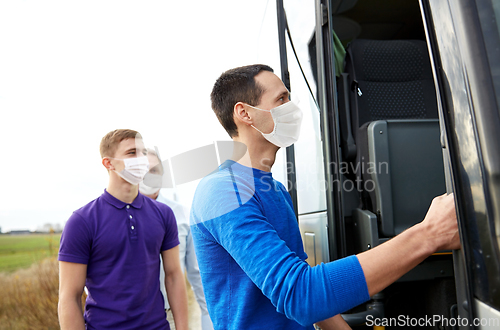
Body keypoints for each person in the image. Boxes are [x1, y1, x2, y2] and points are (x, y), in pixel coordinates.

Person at [190, 64, 460, 330]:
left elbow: (306, 289)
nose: (292, 108)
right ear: (245, 113)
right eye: (281, 99)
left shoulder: (275, 190)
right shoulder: (223, 191)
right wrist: (429, 234)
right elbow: (300, 295)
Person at [58, 129, 189, 330]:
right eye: (131, 153)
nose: (141, 159)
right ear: (108, 163)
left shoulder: (164, 214)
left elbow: (173, 276)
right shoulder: (81, 221)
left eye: (143, 153)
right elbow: (69, 297)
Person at [139, 149, 214, 330]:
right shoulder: (118, 214)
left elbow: (196, 272)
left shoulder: (180, 213)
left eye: (154, 170)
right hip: (130, 318)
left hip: (169, 318)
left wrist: (207, 319)